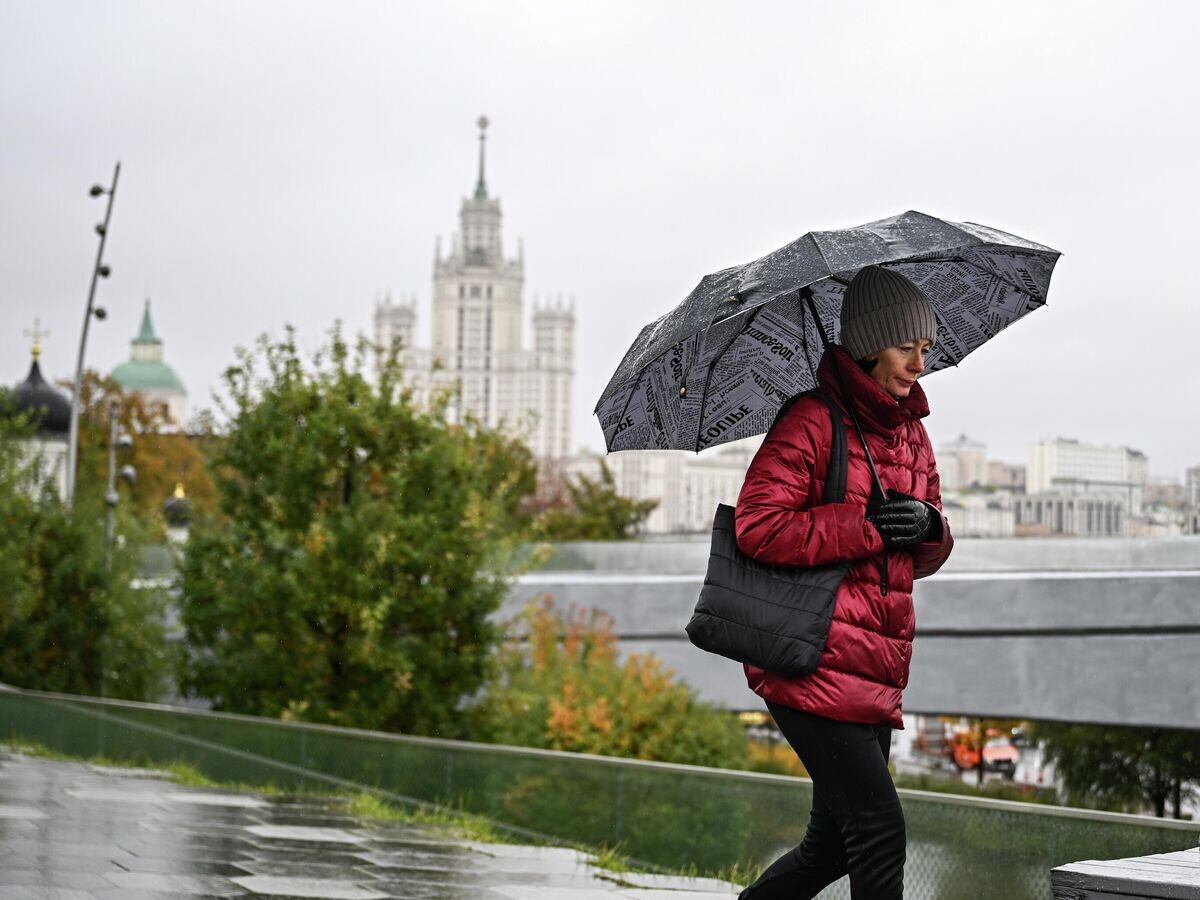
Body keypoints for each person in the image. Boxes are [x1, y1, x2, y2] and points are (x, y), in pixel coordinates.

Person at [734, 265, 955, 899]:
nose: (919, 362)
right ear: (868, 342)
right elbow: (760, 526)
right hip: (809, 657)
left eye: (926, 348)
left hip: (875, 666)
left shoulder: (913, 435)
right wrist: (866, 526)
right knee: (879, 830)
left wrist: (927, 526)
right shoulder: (811, 419)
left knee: (830, 846)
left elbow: (927, 553)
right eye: (905, 345)